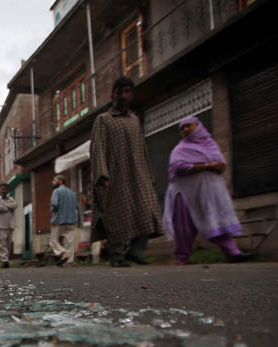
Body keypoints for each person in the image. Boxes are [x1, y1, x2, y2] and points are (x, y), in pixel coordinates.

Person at [89, 77, 163, 267]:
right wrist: (101, 174)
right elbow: (98, 147)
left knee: (148, 209)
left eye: (128, 91)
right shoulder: (104, 120)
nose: (124, 95)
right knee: (116, 216)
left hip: (138, 174)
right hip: (114, 175)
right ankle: (116, 256)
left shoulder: (134, 120)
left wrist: (149, 174)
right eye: (120, 91)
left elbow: (142, 147)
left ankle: (135, 251)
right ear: (113, 94)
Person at [163, 116, 249, 264]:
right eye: (182, 128)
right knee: (184, 227)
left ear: (198, 126)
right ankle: (182, 258)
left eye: (188, 125)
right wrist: (207, 166)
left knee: (216, 220)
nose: (185, 129)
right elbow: (178, 167)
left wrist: (218, 166)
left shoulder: (211, 145)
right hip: (185, 194)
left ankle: (232, 252)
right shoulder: (180, 149)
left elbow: (221, 164)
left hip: (209, 193)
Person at [48, 174, 78, 267]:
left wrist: (52, 210)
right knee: (69, 242)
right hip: (71, 220)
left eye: (54, 180)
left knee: (53, 241)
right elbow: (76, 207)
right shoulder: (72, 193)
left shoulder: (56, 191)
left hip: (59, 220)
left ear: (60, 181)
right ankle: (67, 262)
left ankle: (63, 252)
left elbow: (54, 204)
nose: (52, 182)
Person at [0, 183, 17, 268]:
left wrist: (6, 205)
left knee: (8, 243)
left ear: (7, 190)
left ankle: (6, 259)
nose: (3, 191)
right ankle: (5, 261)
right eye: (2, 189)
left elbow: (15, 205)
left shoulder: (11, 199)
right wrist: (8, 207)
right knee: (2, 244)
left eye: (5, 189)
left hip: (10, 224)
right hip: (0, 224)